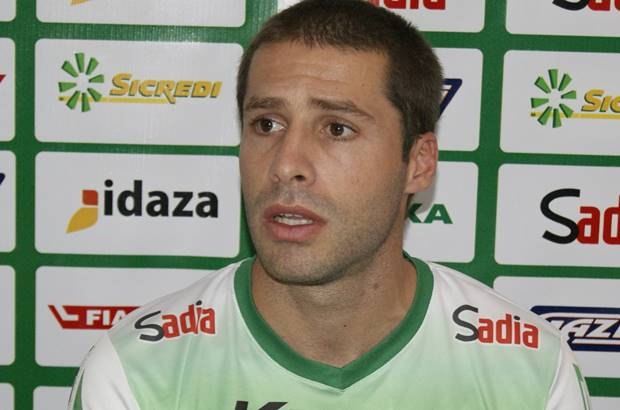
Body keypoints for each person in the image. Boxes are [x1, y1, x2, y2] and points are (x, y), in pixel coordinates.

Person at [68, 1, 591, 409]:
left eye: (337, 129)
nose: (286, 163)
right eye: (266, 124)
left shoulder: (528, 369)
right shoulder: (139, 371)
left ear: (418, 162)